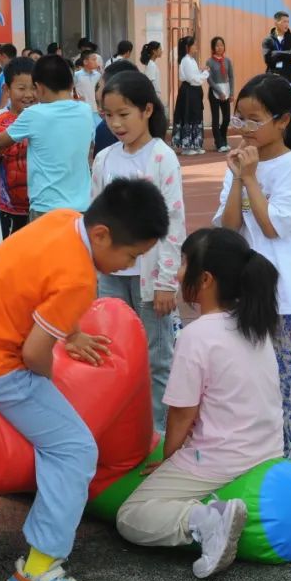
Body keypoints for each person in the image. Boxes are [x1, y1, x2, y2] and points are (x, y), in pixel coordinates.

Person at [0, 179, 169, 581]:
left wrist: (69, 333)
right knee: (75, 449)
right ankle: (36, 574)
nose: (128, 265)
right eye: (130, 256)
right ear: (103, 235)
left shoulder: (62, 220)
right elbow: (35, 354)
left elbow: (37, 287)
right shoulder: (80, 281)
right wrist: (53, 381)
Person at [116, 227, 291, 578]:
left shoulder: (196, 335)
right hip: (266, 451)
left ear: (204, 279)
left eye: (184, 263)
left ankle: (205, 521)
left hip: (220, 459)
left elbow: (180, 417)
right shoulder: (255, 324)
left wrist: (168, 459)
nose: (177, 272)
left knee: (130, 517)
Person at [215, 74, 291, 482]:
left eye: (254, 120)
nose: (244, 128)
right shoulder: (239, 165)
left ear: (283, 120)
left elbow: (270, 228)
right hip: (250, 294)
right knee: (260, 389)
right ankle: (270, 470)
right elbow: (230, 228)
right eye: (240, 118)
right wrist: (236, 177)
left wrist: (249, 178)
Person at [92, 70, 185, 432]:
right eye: (107, 115)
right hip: (111, 277)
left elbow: (173, 222)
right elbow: (94, 217)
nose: (116, 123)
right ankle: (123, 429)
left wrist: (166, 282)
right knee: (114, 354)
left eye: (123, 114)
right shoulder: (104, 160)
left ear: (147, 110)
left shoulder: (162, 158)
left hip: (149, 281)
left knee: (156, 358)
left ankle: (158, 434)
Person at [0, 55, 94, 221]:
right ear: (71, 84)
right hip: (82, 207)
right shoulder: (85, 111)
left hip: (46, 207)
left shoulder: (34, 114)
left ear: (39, 88)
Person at [0, 57, 36, 237]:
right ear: (6, 89)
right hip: (3, 206)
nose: (28, 94)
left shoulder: (44, 118)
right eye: (21, 88)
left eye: (34, 88)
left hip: (37, 206)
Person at [172, 36, 209, 155]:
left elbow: (195, 75)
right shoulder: (186, 60)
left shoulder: (192, 60)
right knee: (188, 115)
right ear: (188, 47)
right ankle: (186, 146)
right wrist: (205, 74)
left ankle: (195, 144)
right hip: (188, 91)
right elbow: (192, 79)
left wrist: (201, 71)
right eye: (194, 45)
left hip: (194, 92)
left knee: (196, 115)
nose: (196, 47)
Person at [205, 37, 234, 153]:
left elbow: (231, 77)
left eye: (221, 45)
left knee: (227, 118)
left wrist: (231, 93)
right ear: (213, 48)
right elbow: (209, 79)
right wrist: (219, 92)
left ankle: (222, 139)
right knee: (216, 119)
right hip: (215, 93)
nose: (219, 47)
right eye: (217, 45)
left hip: (226, 91)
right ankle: (219, 143)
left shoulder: (227, 61)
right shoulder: (209, 61)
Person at [262, 10, 291, 84]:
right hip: (272, 77)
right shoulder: (268, 40)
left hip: (289, 79)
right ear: (276, 23)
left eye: (288, 22)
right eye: (284, 22)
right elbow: (267, 58)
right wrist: (287, 53)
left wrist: (275, 53)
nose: (287, 24)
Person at [74, 50, 103, 118]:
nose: (96, 62)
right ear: (85, 62)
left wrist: (100, 106)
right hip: (82, 111)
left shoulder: (98, 75)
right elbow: (70, 91)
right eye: (93, 60)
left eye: (96, 60)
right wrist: (76, 98)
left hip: (96, 110)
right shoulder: (77, 75)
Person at [0, 43, 18, 112]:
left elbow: (5, 95)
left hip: (4, 113)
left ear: (4, 56)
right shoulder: (10, 71)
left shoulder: (8, 72)